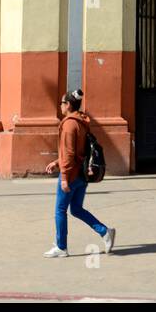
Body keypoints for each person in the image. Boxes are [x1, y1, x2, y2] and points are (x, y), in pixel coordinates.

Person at [44, 89, 116, 258]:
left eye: (62, 103)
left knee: (60, 210)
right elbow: (76, 151)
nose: (60, 106)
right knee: (76, 209)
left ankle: (61, 247)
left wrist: (64, 178)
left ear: (68, 105)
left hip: (71, 174)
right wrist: (56, 162)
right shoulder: (82, 121)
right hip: (82, 174)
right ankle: (105, 232)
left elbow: (69, 153)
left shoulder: (69, 124)